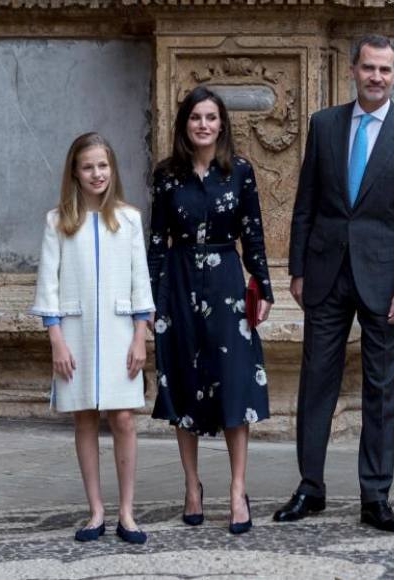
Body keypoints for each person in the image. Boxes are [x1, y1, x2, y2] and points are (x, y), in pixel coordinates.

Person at [274, 34, 394, 533]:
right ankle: (310, 487)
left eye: (385, 70)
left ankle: (376, 496)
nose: (376, 77)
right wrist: (297, 268)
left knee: (381, 390)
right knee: (315, 382)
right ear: (353, 69)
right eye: (368, 68)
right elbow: (306, 202)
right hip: (324, 274)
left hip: (386, 281)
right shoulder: (324, 125)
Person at [147, 86, 274, 534]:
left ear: (222, 124)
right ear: (185, 124)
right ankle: (192, 486)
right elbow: (157, 240)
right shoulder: (167, 175)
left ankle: (238, 489)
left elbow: (253, 234)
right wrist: (151, 297)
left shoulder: (239, 171)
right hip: (178, 283)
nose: (204, 124)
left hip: (225, 282)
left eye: (211, 117)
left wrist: (264, 289)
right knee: (182, 380)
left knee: (235, 383)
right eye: (196, 117)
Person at [30, 132, 154, 544]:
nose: (96, 173)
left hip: (122, 333)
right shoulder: (58, 222)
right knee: (84, 416)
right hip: (76, 333)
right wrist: (57, 341)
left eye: (103, 165)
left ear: (112, 169)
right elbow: (48, 285)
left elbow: (141, 282)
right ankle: (96, 511)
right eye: (88, 167)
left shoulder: (130, 219)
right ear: (75, 172)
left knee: (122, 418)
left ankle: (127, 512)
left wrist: (140, 337)